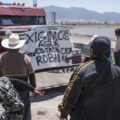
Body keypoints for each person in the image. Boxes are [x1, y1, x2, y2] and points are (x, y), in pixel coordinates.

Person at [58, 36, 120, 120]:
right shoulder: (117, 71)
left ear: (92, 51)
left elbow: (70, 95)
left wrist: (63, 114)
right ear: (109, 52)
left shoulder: (83, 70)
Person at [0, 33, 38, 120]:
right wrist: (33, 88)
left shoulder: (2, 59)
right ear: (19, 46)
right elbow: (31, 75)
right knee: (25, 110)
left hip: (8, 92)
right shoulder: (26, 58)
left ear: (8, 46)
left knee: (10, 112)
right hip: (23, 91)